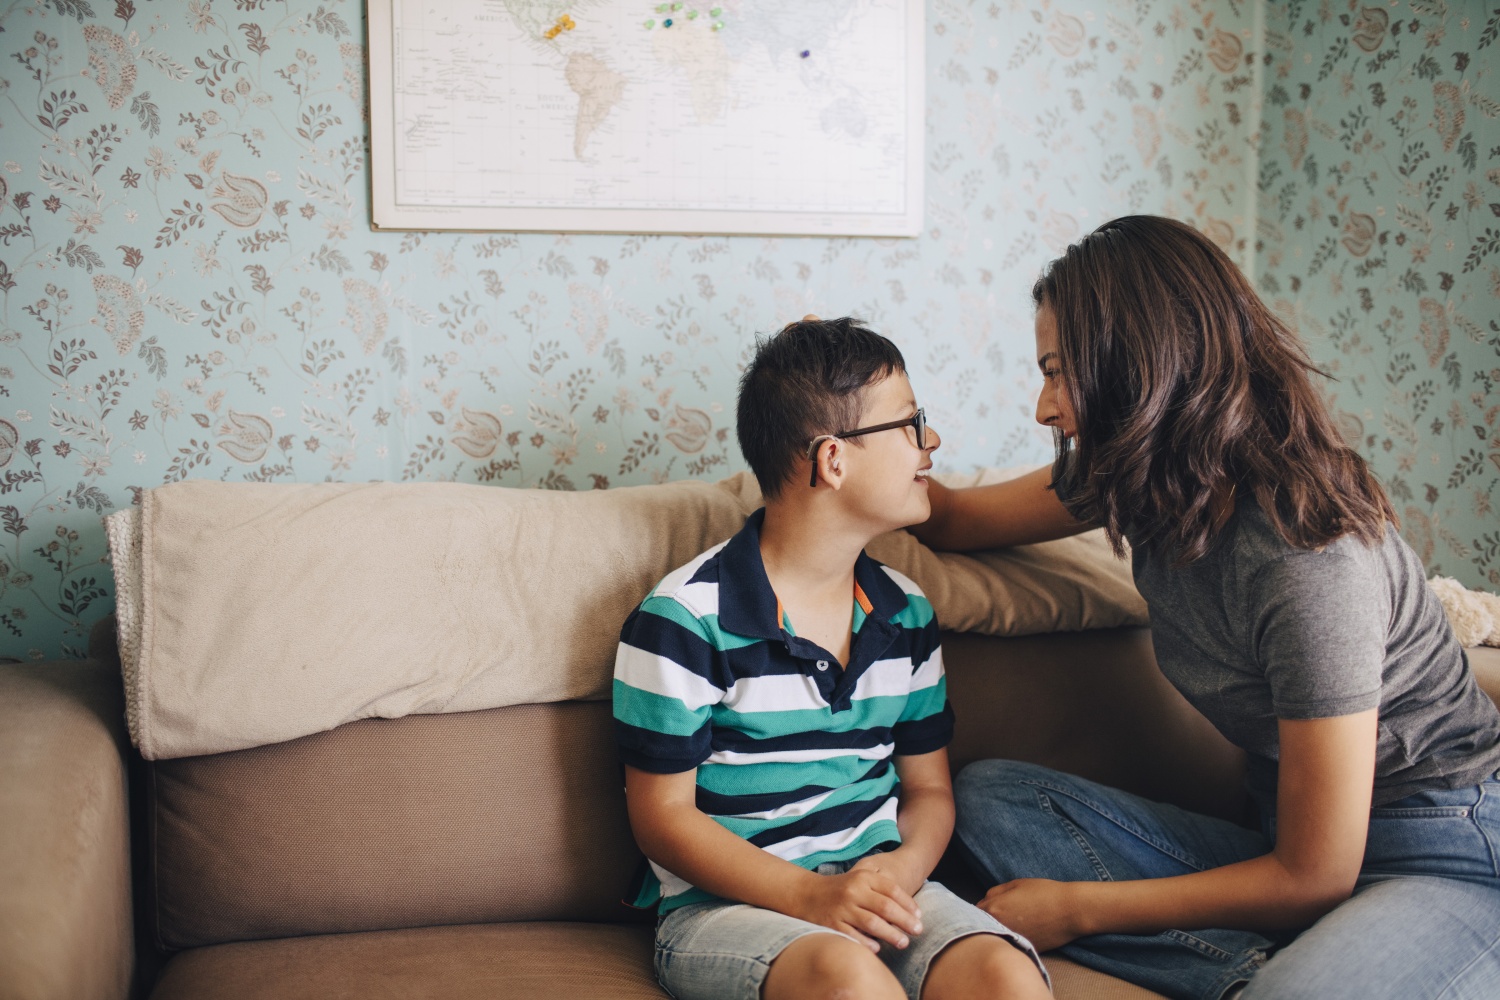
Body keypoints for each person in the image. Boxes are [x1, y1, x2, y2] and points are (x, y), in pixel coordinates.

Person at [911, 215, 1500, 1000]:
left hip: (1440, 850)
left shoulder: (1308, 562)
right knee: (990, 802)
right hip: (1286, 842)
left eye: (1058, 372)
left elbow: (1316, 872)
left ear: (1137, 368)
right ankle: (1277, 960)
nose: (1044, 407)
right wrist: (850, 405)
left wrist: (1079, 910)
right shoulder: (1139, 477)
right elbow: (952, 519)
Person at [612, 318, 1052, 1000]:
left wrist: (898, 877)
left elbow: (929, 791)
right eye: (911, 424)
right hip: (731, 911)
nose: (930, 442)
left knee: (1005, 976)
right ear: (832, 460)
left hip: (880, 883)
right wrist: (812, 899)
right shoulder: (684, 621)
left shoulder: (906, 615)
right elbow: (662, 818)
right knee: (844, 978)